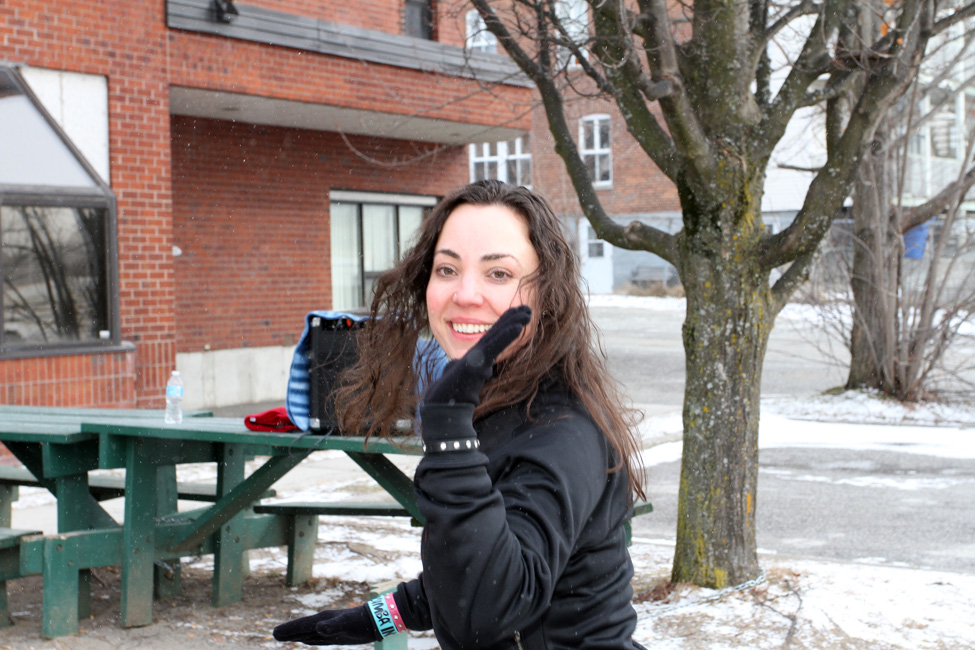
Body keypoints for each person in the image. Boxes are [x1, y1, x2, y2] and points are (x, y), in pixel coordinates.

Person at [273, 180, 647, 649]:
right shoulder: (505, 401)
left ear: (547, 295)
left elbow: (489, 611)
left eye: (498, 274)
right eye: (447, 269)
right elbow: (484, 556)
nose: (465, 294)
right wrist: (382, 617)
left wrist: (448, 426)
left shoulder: (562, 431)